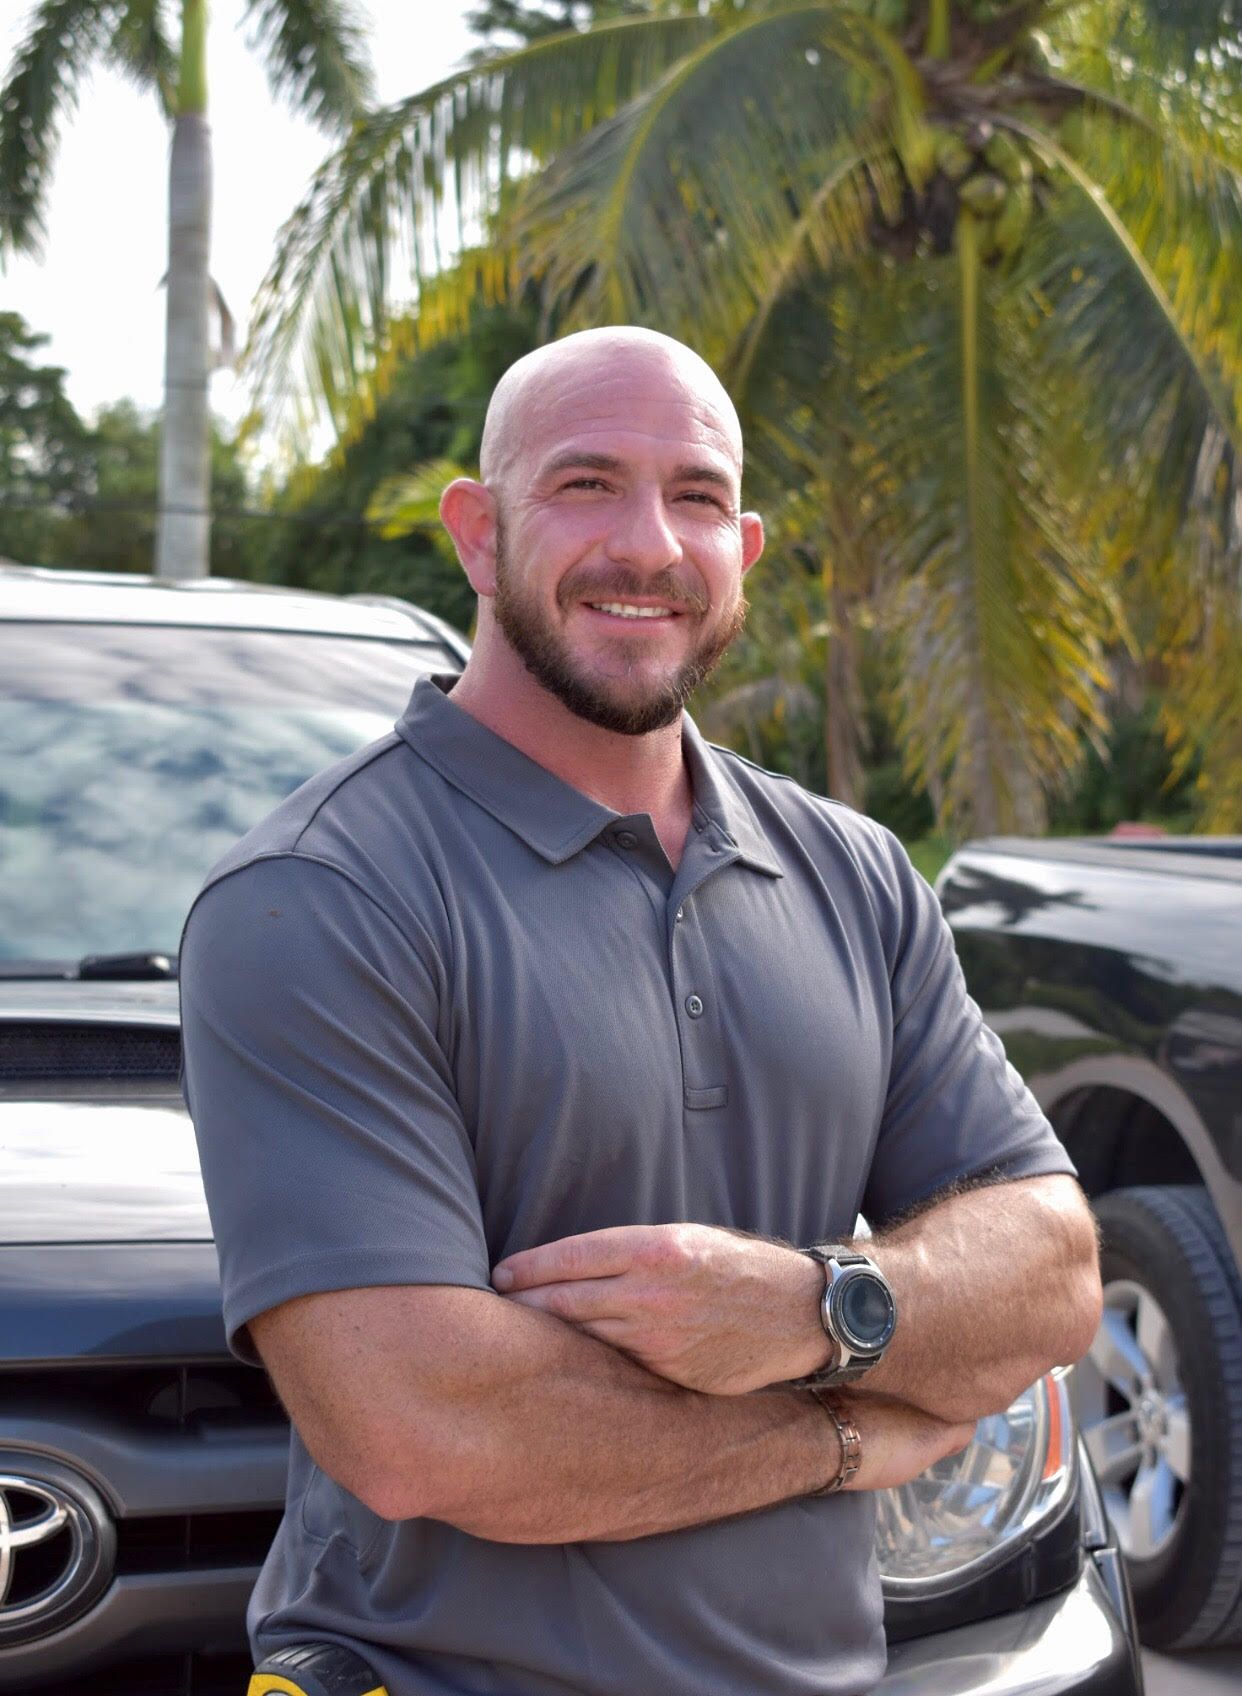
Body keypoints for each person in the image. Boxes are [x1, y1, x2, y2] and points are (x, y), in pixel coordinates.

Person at [179, 326, 1102, 1696]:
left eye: (696, 497)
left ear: (746, 546)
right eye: (585, 484)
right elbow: (419, 1429)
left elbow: (1048, 1275)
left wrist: (814, 1307)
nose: (649, 545)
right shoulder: (318, 896)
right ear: (477, 535)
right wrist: (847, 1436)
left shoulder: (849, 873)